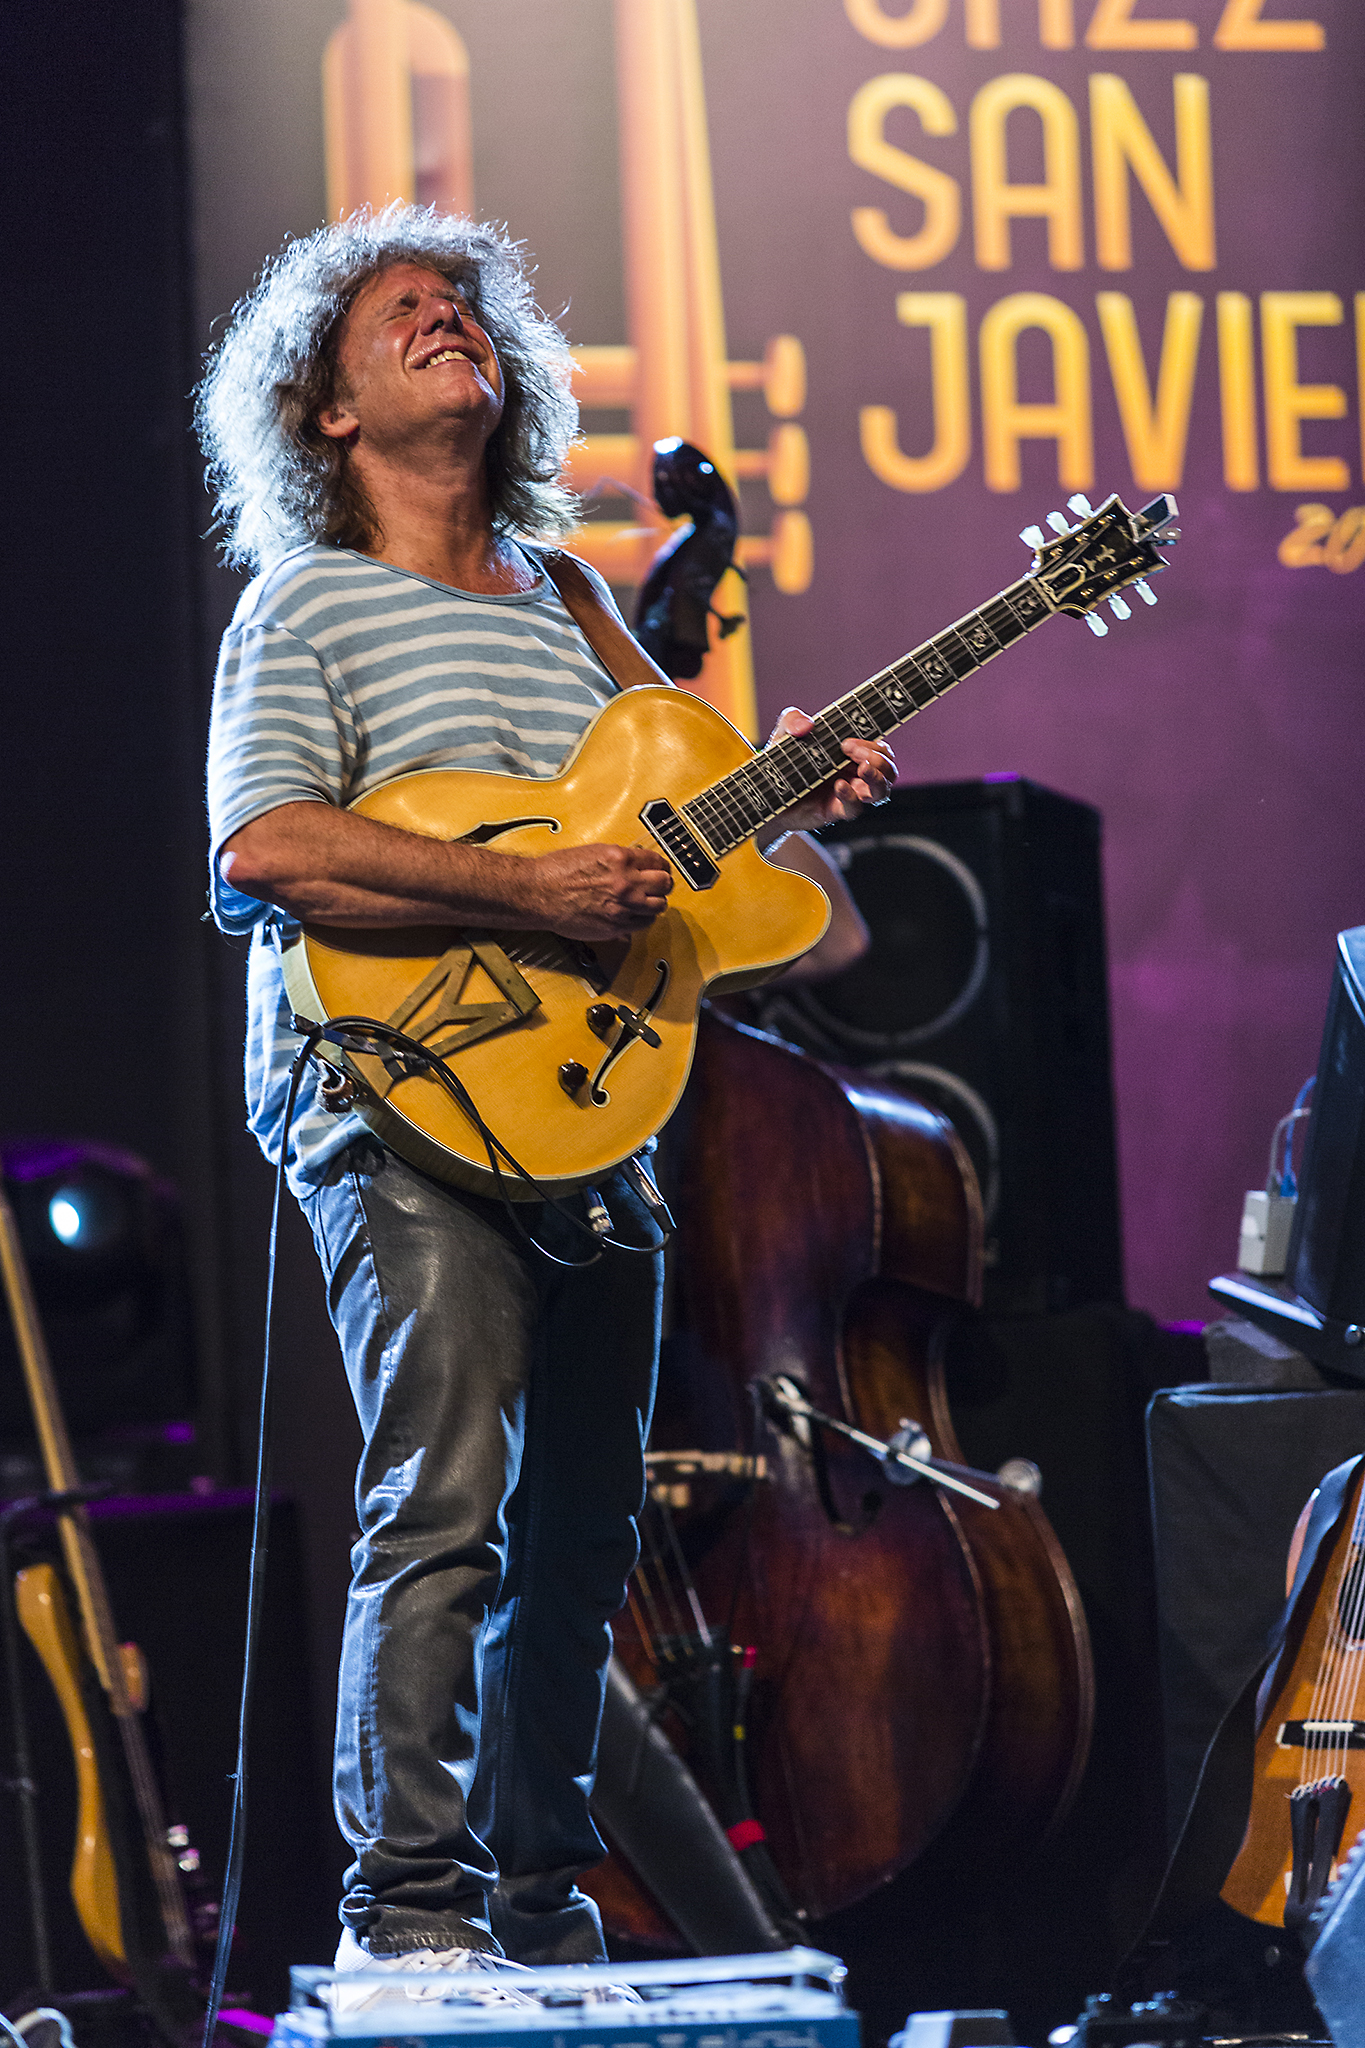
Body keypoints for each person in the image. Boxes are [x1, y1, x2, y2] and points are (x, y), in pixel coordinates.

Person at [198, 202, 894, 1989]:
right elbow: (267, 846)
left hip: (591, 1107)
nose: (452, 320)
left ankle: (534, 1913)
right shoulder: (309, 600)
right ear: (324, 408)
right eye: (403, 311)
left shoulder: (574, 602)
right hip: (394, 1091)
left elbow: (799, 927)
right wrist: (528, 887)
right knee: (443, 1502)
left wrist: (792, 796)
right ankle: (407, 1916)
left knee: (579, 1540)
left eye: (466, 304)